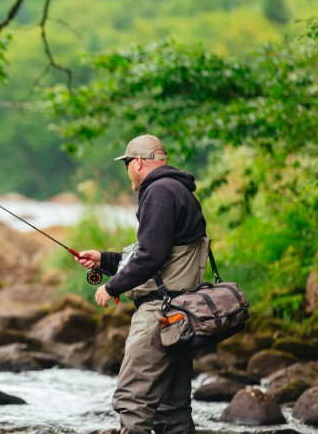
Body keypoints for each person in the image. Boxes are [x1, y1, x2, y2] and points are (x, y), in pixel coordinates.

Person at [76, 134, 212, 434]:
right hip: (181, 313)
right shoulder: (177, 189)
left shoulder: (159, 192)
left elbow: (152, 255)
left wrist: (111, 287)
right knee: (172, 409)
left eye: (127, 164)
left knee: (132, 400)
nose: (127, 171)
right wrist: (104, 259)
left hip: (159, 316)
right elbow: (157, 251)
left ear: (138, 162)